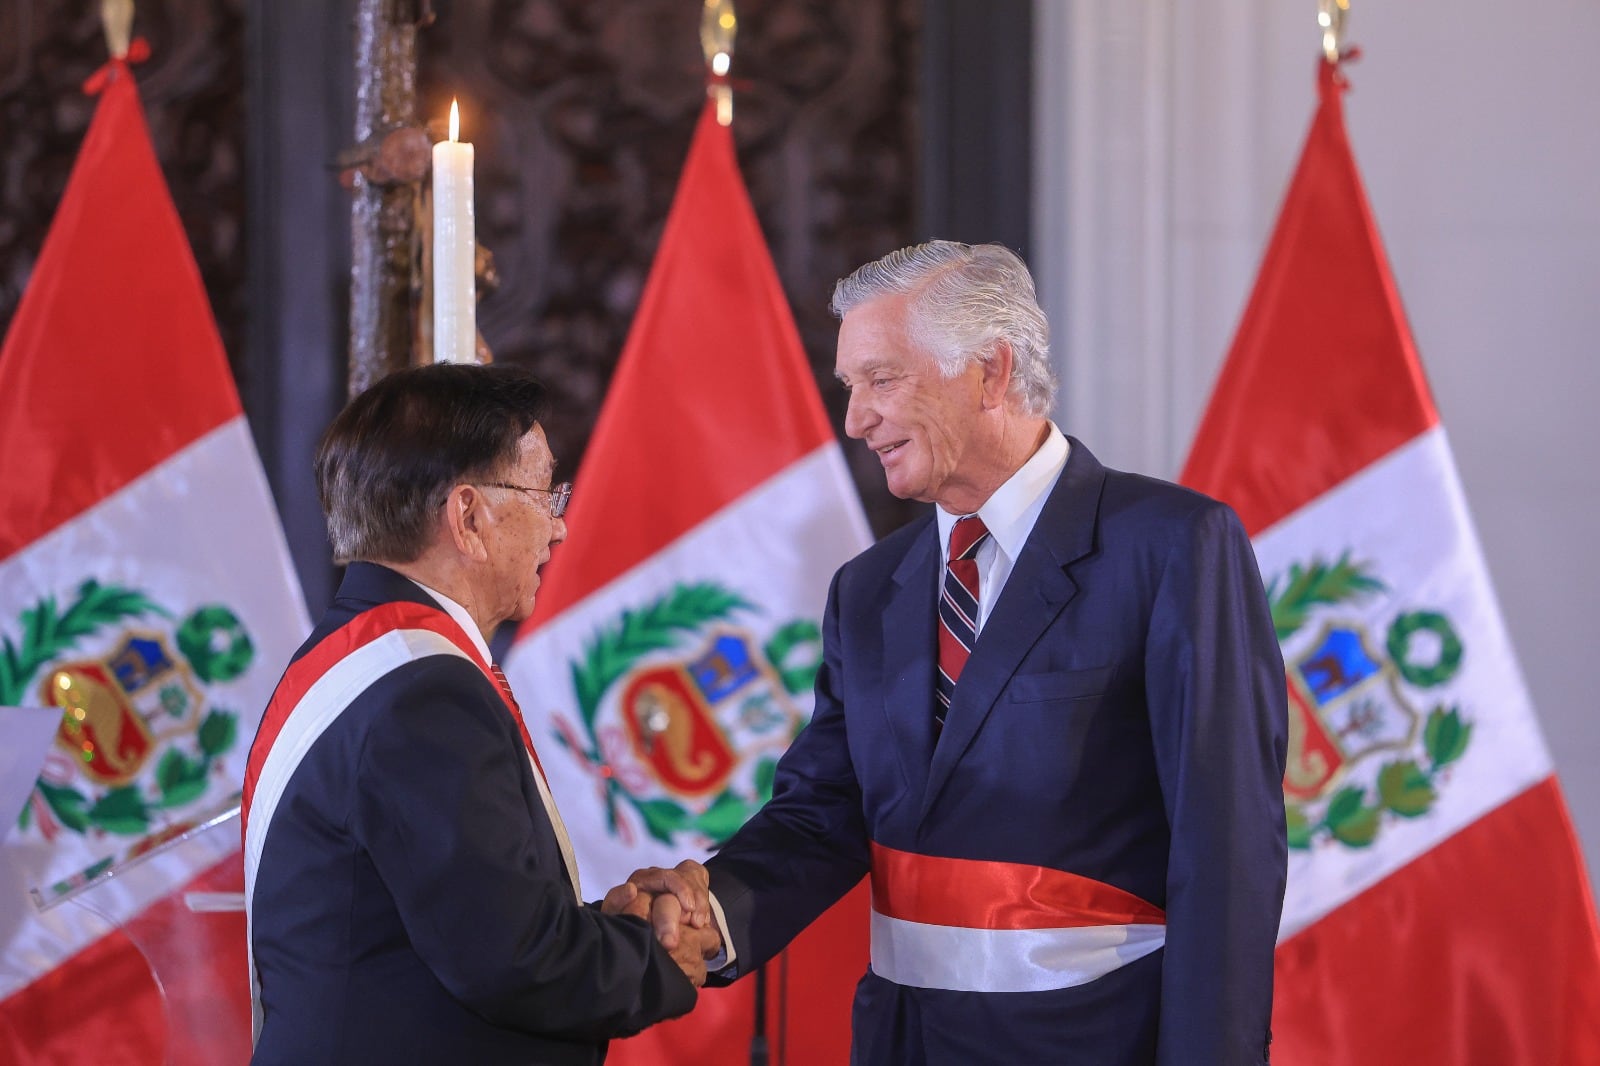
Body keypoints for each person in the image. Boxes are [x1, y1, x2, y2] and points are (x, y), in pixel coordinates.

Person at [629, 241, 1288, 1063]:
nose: (855, 420)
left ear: (991, 371)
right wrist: (711, 910)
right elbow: (824, 811)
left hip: (1100, 1041)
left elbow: (1225, 852)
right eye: (850, 387)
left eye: (882, 379)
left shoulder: (1170, 548)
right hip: (903, 1041)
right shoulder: (867, 589)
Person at [242, 363, 716, 1065]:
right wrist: (663, 954)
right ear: (467, 516)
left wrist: (601, 929)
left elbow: (458, 925)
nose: (558, 529)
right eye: (545, 494)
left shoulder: (363, 653)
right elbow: (513, 961)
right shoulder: (421, 691)